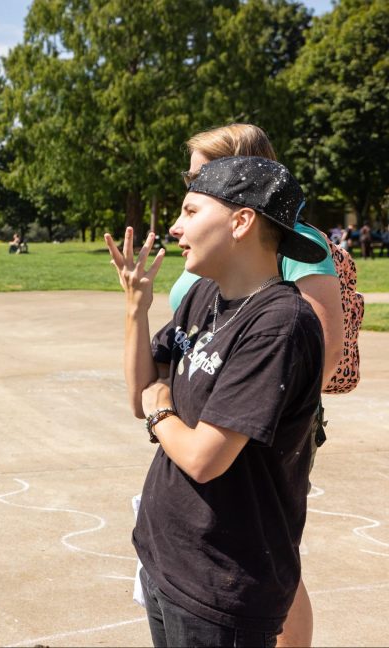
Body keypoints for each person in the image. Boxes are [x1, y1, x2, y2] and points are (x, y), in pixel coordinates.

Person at [107, 157, 325, 648]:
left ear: (241, 220)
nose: (175, 227)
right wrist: (135, 310)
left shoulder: (279, 325)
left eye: (189, 210)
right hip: (169, 558)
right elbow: (139, 393)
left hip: (223, 583)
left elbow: (205, 457)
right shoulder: (206, 295)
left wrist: (162, 407)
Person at [168, 123, 343, 648]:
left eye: (199, 175)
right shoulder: (206, 242)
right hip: (203, 406)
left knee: (265, 559)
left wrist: (250, 415)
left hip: (254, 426)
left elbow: (321, 349)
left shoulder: (298, 241)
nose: (192, 187)